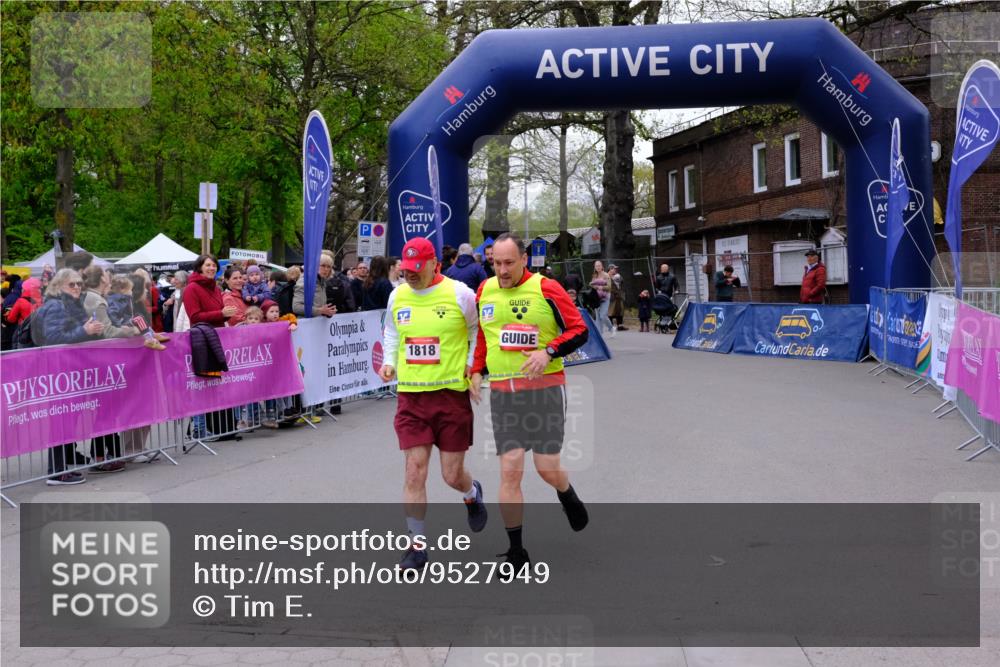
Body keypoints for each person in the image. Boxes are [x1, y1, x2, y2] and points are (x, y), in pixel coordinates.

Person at [470, 233, 589, 573]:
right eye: (496, 263)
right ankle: (516, 551)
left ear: (524, 259)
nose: (503, 270)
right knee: (510, 471)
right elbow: (483, 336)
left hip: (545, 389)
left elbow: (579, 330)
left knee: (545, 467)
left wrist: (548, 351)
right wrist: (477, 370)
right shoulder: (485, 291)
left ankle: (566, 493)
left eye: (509, 263)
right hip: (505, 394)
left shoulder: (546, 288)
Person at [378, 237, 487, 571]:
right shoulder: (398, 295)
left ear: (433, 264)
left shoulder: (460, 294)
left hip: (450, 395)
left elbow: (476, 331)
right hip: (412, 396)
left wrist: (473, 368)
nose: (409, 275)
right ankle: (416, 547)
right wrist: (389, 361)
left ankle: (471, 493)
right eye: (405, 269)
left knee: (451, 475)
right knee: (415, 472)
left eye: (416, 270)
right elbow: (393, 333)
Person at [34, 269, 105, 485]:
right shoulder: (56, 306)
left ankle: (63, 466)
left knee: (67, 419)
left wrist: (92, 331)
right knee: (60, 421)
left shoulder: (71, 305)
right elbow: (54, 339)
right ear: (58, 286)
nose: (77, 288)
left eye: (79, 284)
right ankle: (56, 472)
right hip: (58, 373)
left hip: (70, 372)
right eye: (71, 284)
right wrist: (85, 331)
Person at [589, 260, 614, 337]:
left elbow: (609, 287)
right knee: (598, 316)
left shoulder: (606, 275)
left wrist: (601, 287)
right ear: (595, 267)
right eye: (596, 266)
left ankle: (611, 328)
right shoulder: (594, 276)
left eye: (599, 265)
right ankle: (600, 333)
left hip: (605, 296)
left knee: (602, 315)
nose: (598, 267)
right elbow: (591, 285)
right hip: (597, 297)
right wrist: (594, 286)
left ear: (602, 266)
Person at [608, 264, 626, 331]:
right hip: (612, 297)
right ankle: (611, 326)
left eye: (616, 269)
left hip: (619, 296)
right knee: (611, 312)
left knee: (620, 311)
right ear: (610, 269)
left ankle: (620, 326)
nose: (615, 270)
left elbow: (622, 281)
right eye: (613, 269)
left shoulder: (618, 276)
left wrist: (618, 277)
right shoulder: (607, 277)